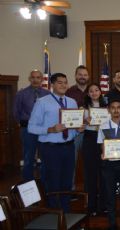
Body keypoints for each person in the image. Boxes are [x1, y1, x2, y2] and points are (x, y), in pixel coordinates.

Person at [28, 73, 83, 212]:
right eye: (60, 82)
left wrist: (78, 129)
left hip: (69, 147)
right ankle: (54, 214)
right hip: (50, 149)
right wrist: (51, 129)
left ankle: (66, 213)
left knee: (67, 182)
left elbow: (72, 127)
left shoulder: (72, 102)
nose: (63, 85)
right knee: (53, 182)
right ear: (52, 84)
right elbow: (31, 127)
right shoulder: (42, 102)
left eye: (65, 82)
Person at [97, 98, 120, 230]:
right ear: (109, 110)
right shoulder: (103, 126)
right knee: (109, 194)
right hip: (108, 164)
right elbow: (101, 143)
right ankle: (112, 223)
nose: (116, 110)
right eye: (113, 107)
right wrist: (104, 153)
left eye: (118, 107)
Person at [13, 69, 50, 181]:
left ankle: (44, 183)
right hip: (27, 130)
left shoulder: (47, 94)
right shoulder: (21, 93)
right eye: (33, 77)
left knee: (45, 157)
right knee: (29, 158)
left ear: (42, 79)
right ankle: (28, 184)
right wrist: (22, 123)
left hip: (43, 129)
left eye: (38, 77)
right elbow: (16, 111)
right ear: (29, 79)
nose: (35, 80)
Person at [82, 83, 107, 215]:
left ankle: (103, 205)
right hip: (90, 139)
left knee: (103, 173)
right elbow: (79, 127)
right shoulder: (83, 108)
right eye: (91, 91)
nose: (94, 93)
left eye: (96, 90)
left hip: (103, 139)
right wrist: (86, 121)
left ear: (100, 92)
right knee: (90, 174)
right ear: (88, 94)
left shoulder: (106, 107)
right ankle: (91, 206)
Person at [66, 65, 89, 189]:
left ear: (88, 77)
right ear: (75, 76)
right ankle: (71, 189)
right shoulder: (69, 92)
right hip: (74, 132)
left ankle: (89, 190)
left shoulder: (93, 90)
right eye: (80, 74)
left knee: (89, 162)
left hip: (90, 131)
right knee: (72, 162)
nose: (82, 77)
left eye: (85, 75)